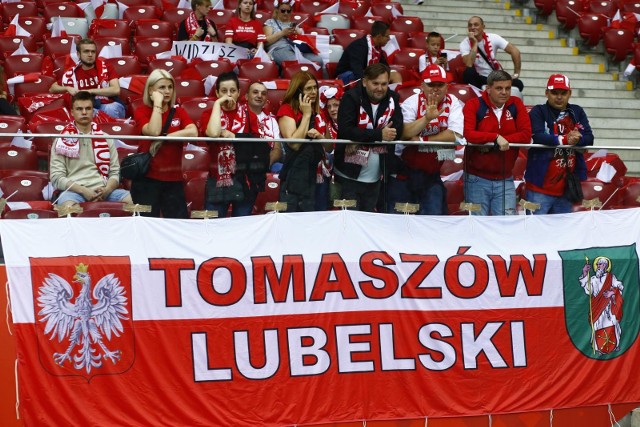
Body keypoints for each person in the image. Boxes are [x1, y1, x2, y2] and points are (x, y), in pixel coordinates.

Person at [335, 63, 404, 212]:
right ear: (365, 82)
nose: (380, 88)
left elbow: (397, 128)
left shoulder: (393, 99)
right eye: (375, 83)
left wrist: (362, 138)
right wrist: (379, 135)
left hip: (376, 177)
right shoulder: (350, 97)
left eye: (384, 84)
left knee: (368, 223)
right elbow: (346, 130)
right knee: (350, 222)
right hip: (349, 176)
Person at [462, 69, 531, 215]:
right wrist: (494, 137)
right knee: (477, 225)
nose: (504, 92)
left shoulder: (516, 104)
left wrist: (499, 140)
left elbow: (525, 135)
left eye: (508, 88)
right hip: (476, 179)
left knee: (507, 227)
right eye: (499, 88)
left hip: (505, 178)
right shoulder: (473, 104)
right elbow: (468, 134)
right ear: (488, 89)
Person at [398, 64, 464, 215]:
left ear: (447, 87)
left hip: (431, 173)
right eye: (431, 85)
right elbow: (405, 133)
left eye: (440, 85)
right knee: (401, 222)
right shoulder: (411, 102)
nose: (435, 89)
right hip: (403, 172)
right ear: (422, 86)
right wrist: (426, 119)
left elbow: (455, 135)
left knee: (435, 220)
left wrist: (422, 139)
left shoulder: (453, 101)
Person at [132, 69, 198, 218]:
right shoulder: (141, 111)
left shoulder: (179, 112)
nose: (167, 91)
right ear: (151, 90)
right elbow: (154, 131)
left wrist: (166, 137)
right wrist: (157, 104)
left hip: (173, 179)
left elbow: (193, 131)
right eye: (162, 87)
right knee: (147, 225)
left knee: (178, 224)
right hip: (147, 179)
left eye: (170, 87)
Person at [50, 91, 132, 208]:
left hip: (104, 190)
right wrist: (83, 190)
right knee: (68, 208)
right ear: (72, 112)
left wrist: (107, 190)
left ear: (93, 112)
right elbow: (56, 177)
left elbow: (115, 172)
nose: (84, 112)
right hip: (74, 192)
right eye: (79, 109)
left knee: (136, 202)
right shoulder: (61, 140)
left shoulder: (106, 138)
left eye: (88, 108)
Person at [525, 74, 594, 214]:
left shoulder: (577, 111)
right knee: (534, 231)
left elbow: (589, 138)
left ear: (570, 93)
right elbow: (537, 136)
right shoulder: (538, 111)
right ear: (546, 93)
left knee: (563, 234)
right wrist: (564, 140)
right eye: (554, 93)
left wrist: (577, 139)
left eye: (563, 93)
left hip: (566, 188)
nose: (559, 97)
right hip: (539, 187)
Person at [204, 72, 262, 218]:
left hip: (244, 180)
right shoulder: (208, 115)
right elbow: (213, 133)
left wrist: (234, 136)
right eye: (223, 91)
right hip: (217, 179)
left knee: (240, 229)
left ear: (239, 93)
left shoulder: (250, 115)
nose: (228, 95)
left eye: (232, 91)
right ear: (217, 93)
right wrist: (217, 104)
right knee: (214, 228)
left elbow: (258, 145)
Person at [277, 71, 331, 211]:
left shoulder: (320, 113)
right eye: (308, 89)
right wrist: (306, 115)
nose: (313, 92)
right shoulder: (287, 109)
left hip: (314, 175)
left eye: (315, 87)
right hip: (293, 176)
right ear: (298, 91)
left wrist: (320, 137)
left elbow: (330, 147)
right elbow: (294, 144)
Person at [49, 38, 124, 119]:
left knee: (110, 109)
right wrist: (67, 88)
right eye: (86, 51)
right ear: (78, 54)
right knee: (83, 112)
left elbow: (116, 90)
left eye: (93, 51)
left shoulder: (106, 67)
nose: (90, 54)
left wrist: (89, 91)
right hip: (85, 108)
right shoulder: (72, 73)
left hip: (107, 105)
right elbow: (52, 88)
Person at [459, 16, 523, 93]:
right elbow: (469, 64)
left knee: (519, 84)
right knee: (468, 72)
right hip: (479, 78)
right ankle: (479, 97)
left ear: (483, 27)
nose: (472, 27)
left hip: (495, 77)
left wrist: (516, 74)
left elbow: (515, 51)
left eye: (476, 25)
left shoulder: (493, 37)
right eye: (470, 25)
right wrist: (475, 43)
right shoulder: (464, 43)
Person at [579, 257, 624, 354]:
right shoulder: (593, 279)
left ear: (606, 266)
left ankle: (615, 345)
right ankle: (599, 348)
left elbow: (620, 286)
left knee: (613, 323)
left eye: (602, 264)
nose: (599, 266)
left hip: (608, 306)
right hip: (597, 307)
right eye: (598, 264)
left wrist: (612, 293)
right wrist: (585, 273)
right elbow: (588, 290)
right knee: (597, 325)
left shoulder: (610, 277)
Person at [335, 21, 401, 86]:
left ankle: (392, 96)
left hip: (366, 74)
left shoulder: (378, 49)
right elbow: (357, 69)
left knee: (395, 75)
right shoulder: (359, 46)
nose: (389, 39)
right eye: (387, 36)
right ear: (379, 37)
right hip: (348, 75)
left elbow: (385, 67)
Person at [263, 0, 323, 67]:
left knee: (318, 60)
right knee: (295, 62)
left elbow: (300, 40)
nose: (285, 13)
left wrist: (297, 34)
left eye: (288, 11)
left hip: (295, 48)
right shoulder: (270, 22)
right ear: (277, 10)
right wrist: (282, 33)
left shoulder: (292, 24)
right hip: (279, 49)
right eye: (283, 10)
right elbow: (266, 42)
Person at [246, 81, 283, 171]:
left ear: (266, 99)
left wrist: (265, 163)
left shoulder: (272, 120)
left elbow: (277, 149)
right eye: (255, 92)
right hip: (244, 163)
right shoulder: (239, 115)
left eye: (263, 94)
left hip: (268, 163)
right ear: (246, 96)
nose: (259, 96)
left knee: (282, 169)